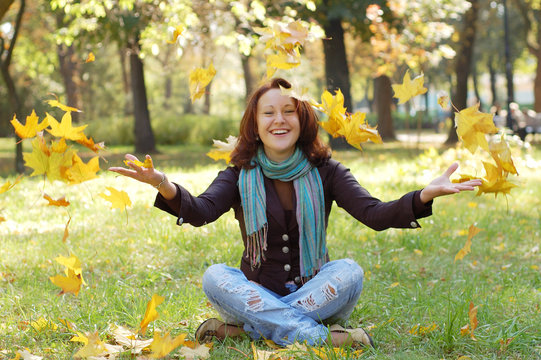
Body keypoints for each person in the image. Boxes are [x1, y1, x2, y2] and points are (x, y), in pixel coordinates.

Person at [109, 78, 482, 348]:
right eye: (268, 113)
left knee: (350, 271)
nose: (279, 120)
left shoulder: (328, 171)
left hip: (318, 295)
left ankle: (251, 330)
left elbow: (375, 214)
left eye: (289, 111)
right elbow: (201, 211)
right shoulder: (240, 175)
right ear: (254, 125)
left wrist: (423, 195)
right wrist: (163, 184)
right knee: (214, 276)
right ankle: (325, 339)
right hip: (255, 293)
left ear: (302, 120)